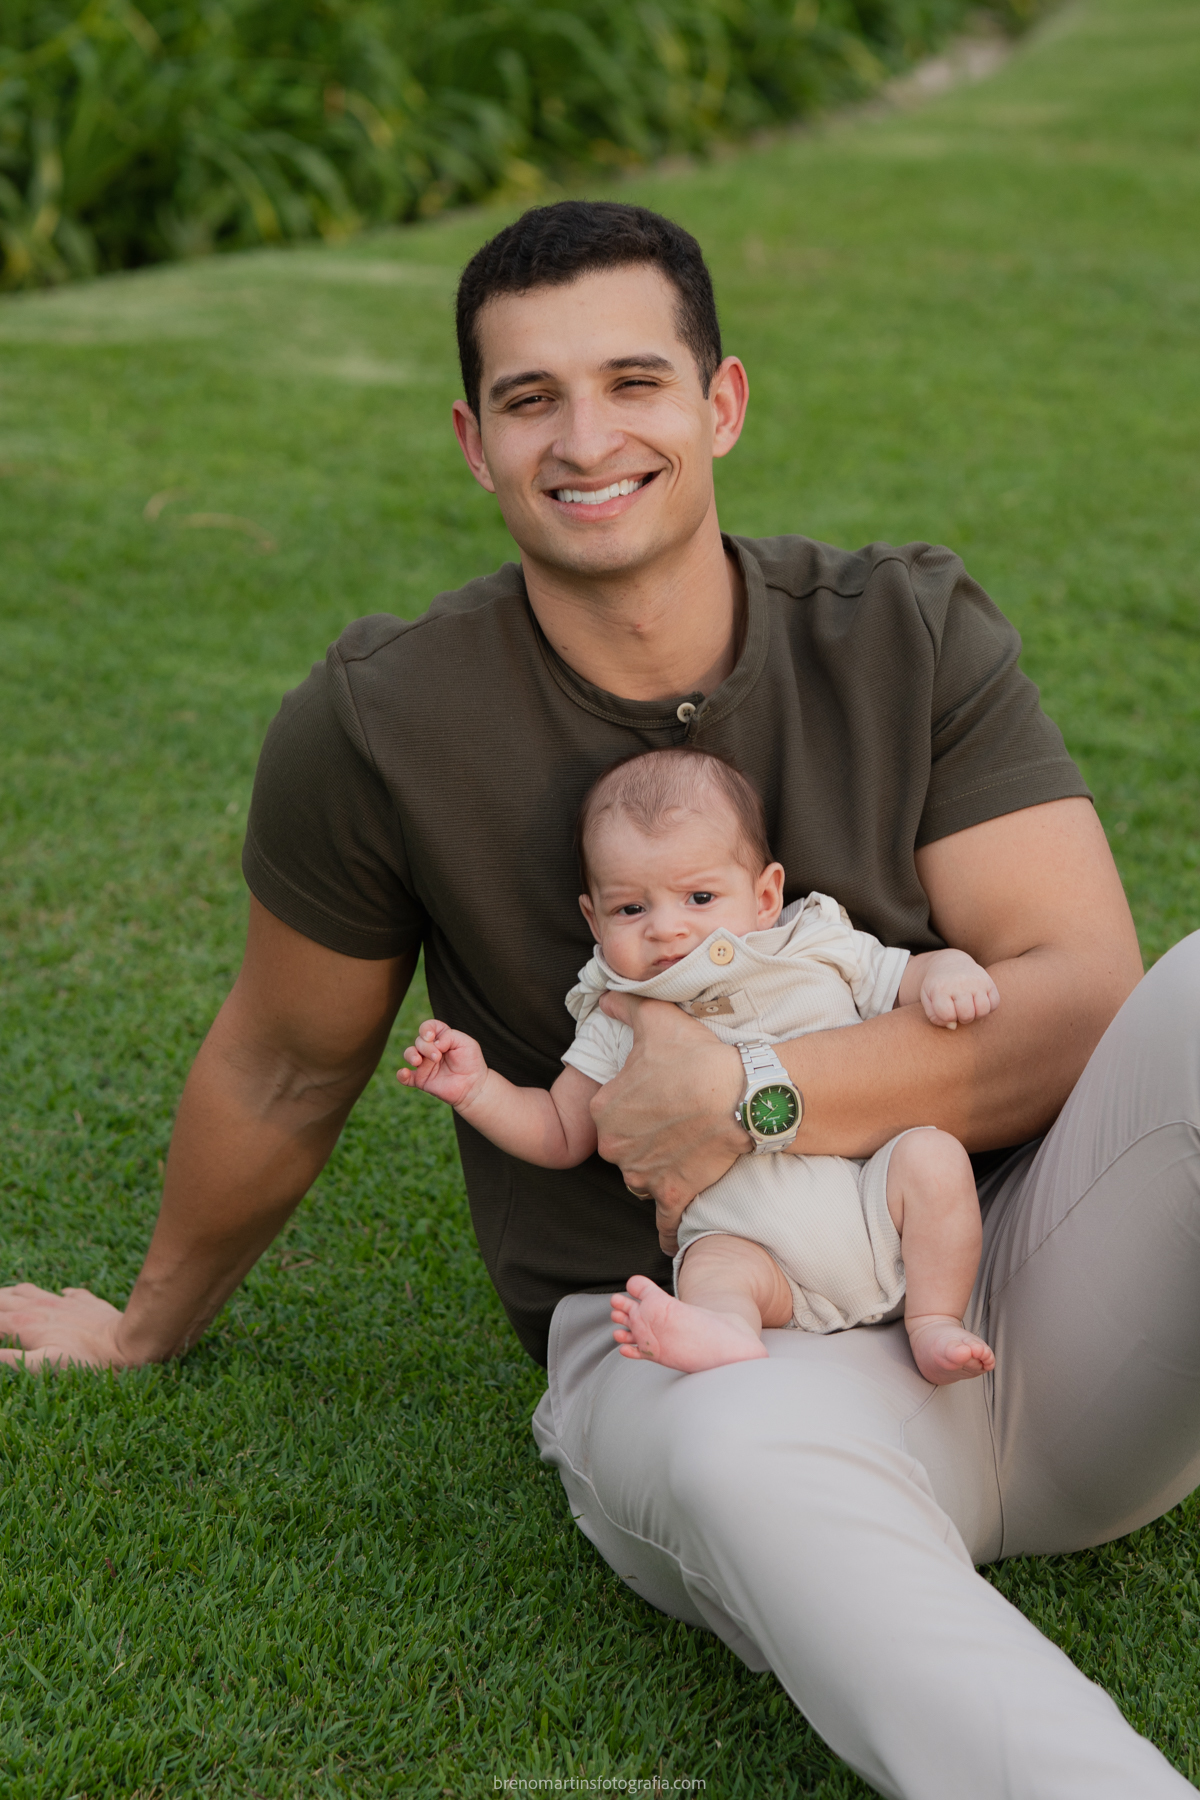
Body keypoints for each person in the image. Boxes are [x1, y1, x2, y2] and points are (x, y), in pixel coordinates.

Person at [1, 199, 1197, 1797]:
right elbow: (286, 1069)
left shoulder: (900, 628)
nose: (587, 438)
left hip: (1030, 1295)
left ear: (721, 404)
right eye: (529, 399)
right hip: (709, 1357)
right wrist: (146, 1327)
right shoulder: (381, 724)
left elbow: (1080, 1002)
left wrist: (751, 1093)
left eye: (635, 382)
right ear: (473, 443)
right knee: (732, 1462)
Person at [398, 745, 1000, 1383]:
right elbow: (559, 1128)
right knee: (712, 1264)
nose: (666, 928)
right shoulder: (615, 1012)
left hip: (873, 1203)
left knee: (932, 1158)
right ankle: (725, 1331)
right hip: (756, 1254)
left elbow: (904, 975)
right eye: (631, 908)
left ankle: (934, 1321)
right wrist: (479, 1090)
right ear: (592, 918)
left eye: (700, 897)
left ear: (766, 894)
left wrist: (950, 971)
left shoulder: (813, 943)